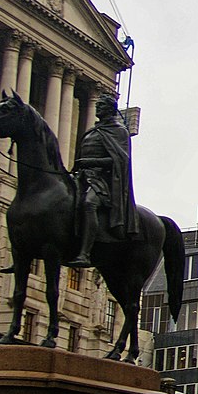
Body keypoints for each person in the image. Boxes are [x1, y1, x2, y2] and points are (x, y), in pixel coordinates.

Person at [70, 94, 139, 267]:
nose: (97, 108)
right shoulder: (94, 130)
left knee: (89, 203)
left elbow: (120, 160)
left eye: (101, 105)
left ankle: (84, 253)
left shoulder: (119, 130)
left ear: (109, 108)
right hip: (83, 176)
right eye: (98, 105)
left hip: (103, 181)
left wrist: (91, 162)